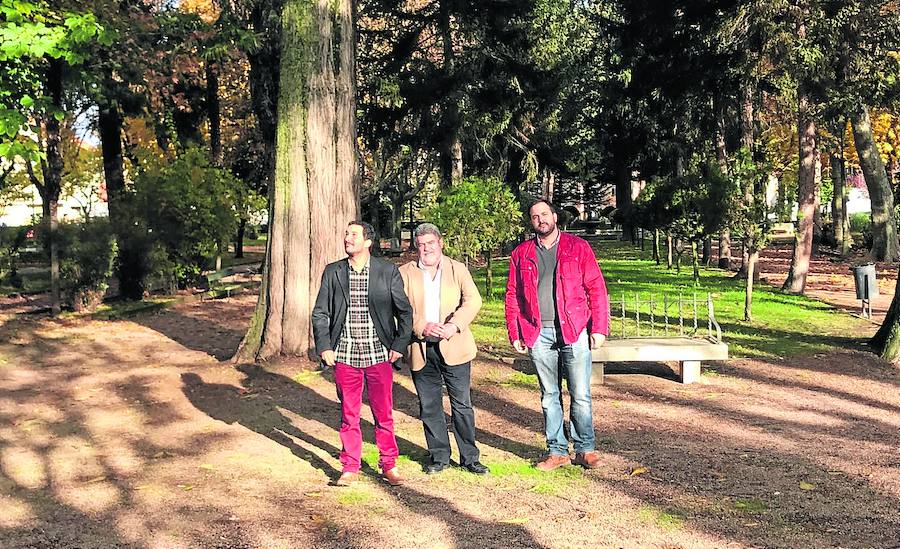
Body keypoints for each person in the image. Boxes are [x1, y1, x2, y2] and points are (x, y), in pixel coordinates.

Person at [504, 200, 610, 471]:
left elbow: (596, 288)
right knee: (549, 394)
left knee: (581, 393)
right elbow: (513, 295)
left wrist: (598, 328)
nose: (540, 219)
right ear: (531, 222)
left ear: (554, 216)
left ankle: (585, 448)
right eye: (534, 216)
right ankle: (557, 450)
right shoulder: (521, 253)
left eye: (544, 214)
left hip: (574, 329)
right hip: (538, 332)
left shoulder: (578, 248)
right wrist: (514, 331)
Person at [312, 221, 413, 486]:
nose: (347, 238)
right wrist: (324, 346)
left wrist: (398, 346)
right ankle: (350, 467)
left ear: (367, 242)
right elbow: (321, 312)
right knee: (349, 414)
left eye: (353, 235)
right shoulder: (333, 272)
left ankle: (389, 464)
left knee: (384, 413)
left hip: (379, 353)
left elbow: (404, 312)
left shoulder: (386, 271)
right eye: (346, 234)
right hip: (344, 355)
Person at [398, 223, 489, 475]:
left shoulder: (457, 269)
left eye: (430, 243)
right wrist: (421, 327)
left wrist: (454, 325)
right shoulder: (405, 272)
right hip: (421, 348)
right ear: (416, 247)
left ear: (440, 243)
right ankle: (439, 456)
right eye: (421, 244)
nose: (426, 248)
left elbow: (473, 300)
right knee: (429, 405)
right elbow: (400, 309)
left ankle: (470, 457)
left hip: (455, 346)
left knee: (462, 405)